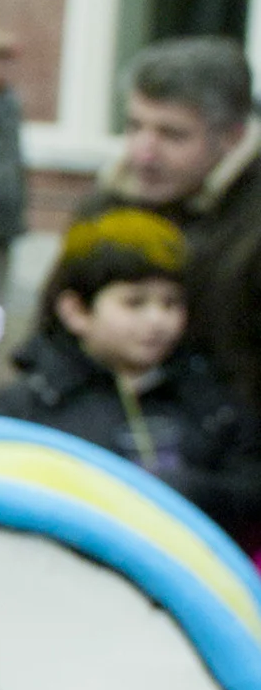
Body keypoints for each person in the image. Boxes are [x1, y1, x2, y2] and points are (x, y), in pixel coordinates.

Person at [0, 211, 261, 540]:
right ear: (76, 312)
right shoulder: (27, 405)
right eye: (135, 303)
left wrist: (193, 491)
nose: (158, 320)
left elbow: (249, 488)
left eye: (171, 303)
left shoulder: (212, 404)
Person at [109, 39, 261, 412]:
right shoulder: (110, 202)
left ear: (232, 138)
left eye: (172, 134)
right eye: (133, 126)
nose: (143, 153)